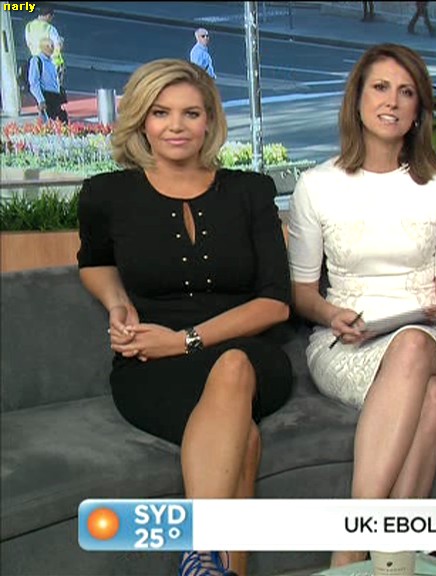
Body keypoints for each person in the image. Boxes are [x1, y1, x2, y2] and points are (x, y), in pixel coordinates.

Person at [76, 59, 293, 576]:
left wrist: (183, 340)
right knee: (243, 438)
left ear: (209, 120)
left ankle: (200, 549)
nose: (176, 126)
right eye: (161, 113)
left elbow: (275, 302)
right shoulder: (106, 194)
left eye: (191, 113)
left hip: (247, 352)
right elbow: (95, 262)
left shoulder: (250, 191)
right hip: (149, 365)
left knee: (233, 367)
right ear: (141, 121)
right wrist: (118, 304)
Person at [287, 43, 436, 568]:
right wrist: (331, 315)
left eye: (406, 92)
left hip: (432, 338)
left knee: (413, 347)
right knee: (431, 399)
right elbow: (302, 294)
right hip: (346, 342)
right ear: (358, 100)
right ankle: (392, 557)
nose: (392, 101)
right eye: (381, 88)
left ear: (418, 110)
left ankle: (349, 548)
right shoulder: (316, 185)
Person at [28, 38, 67, 123]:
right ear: (42, 47)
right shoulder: (36, 60)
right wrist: (40, 100)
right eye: (48, 46)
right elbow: (34, 82)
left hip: (55, 97)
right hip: (46, 96)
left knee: (61, 122)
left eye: (52, 46)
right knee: (48, 124)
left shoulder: (52, 62)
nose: (51, 48)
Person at [24, 4, 64, 80]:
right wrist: (61, 42)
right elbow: (58, 46)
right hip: (51, 65)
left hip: (36, 64)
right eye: (51, 18)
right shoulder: (50, 28)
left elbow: (29, 43)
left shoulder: (29, 26)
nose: (51, 20)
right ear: (48, 16)